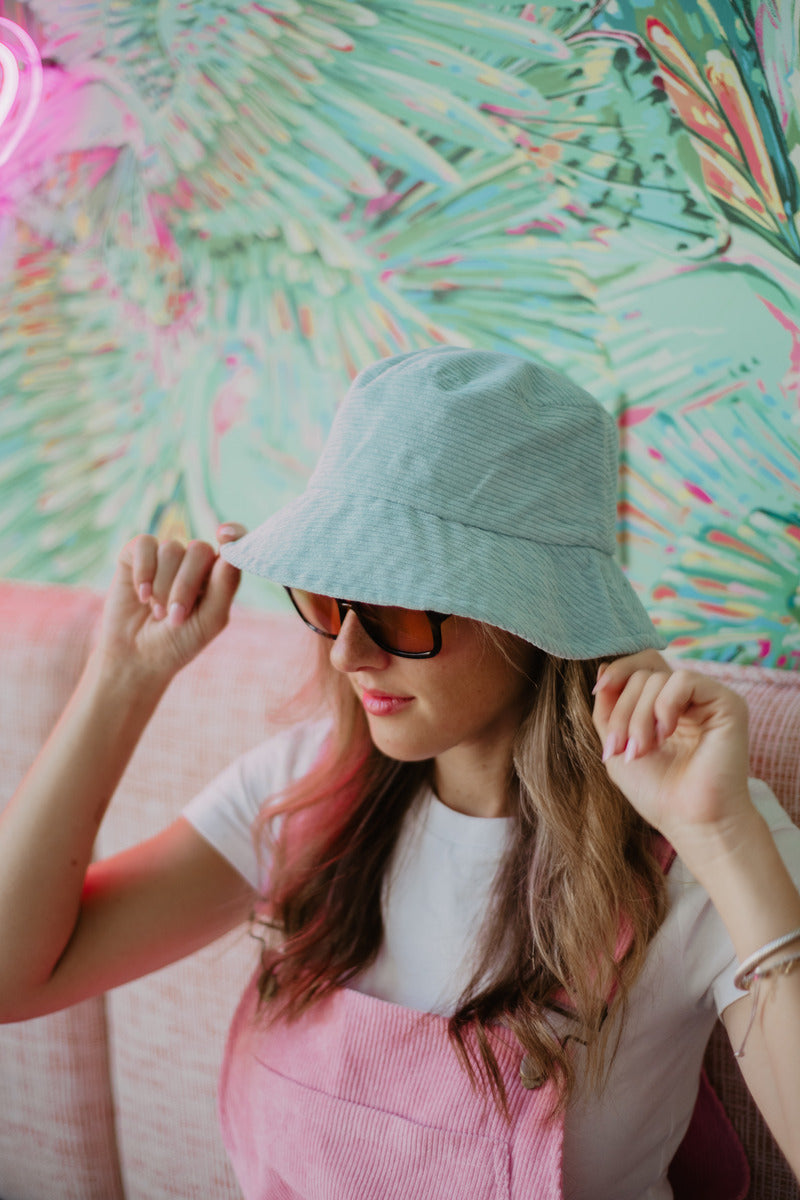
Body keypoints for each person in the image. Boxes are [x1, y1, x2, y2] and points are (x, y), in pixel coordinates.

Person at [0, 347, 798, 1200]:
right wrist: (122, 678)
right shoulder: (306, 791)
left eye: (396, 604)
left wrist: (721, 837)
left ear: (534, 612)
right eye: (331, 597)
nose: (347, 650)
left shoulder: (694, 833)